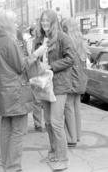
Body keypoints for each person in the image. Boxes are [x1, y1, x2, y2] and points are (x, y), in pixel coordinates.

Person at [0, 9, 44, 172]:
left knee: (6, 129)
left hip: (2, 93)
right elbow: (21, 66)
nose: (16, 24)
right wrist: (36, 54)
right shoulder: (9, 41)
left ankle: (6, 163)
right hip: (14, 92)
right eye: (14, 22)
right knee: (18, 132)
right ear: (7, 24)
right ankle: (13, 166)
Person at [34, 9, 75, 171]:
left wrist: (51, 66)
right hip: (44, 84)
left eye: (47, 20)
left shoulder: (63, 38)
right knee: (48, 122)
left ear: (53, 21)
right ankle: (53, 153)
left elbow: (71, 58)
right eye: (42, 20)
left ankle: (63, 158)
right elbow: (34, 58)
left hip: (59, 85)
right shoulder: (39, 39)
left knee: (57, 122)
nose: (44, 23)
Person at [61, 18, 89, 147]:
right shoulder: (81, 41)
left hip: (70, 77)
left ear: (66, 28)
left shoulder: (67, 40)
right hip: (80, 78)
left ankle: (71, 137)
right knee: (76, 106)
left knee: (68, 106)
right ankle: (77, 135)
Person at [24, 26, 44, 132]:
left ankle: (40, 123)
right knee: (32, 98)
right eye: (34, 31)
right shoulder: (28, 42)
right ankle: (34, 123)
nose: (35, 33)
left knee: (40, 99)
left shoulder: (43, 41)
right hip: (31, 70)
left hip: (43, 70)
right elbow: (27, 56)